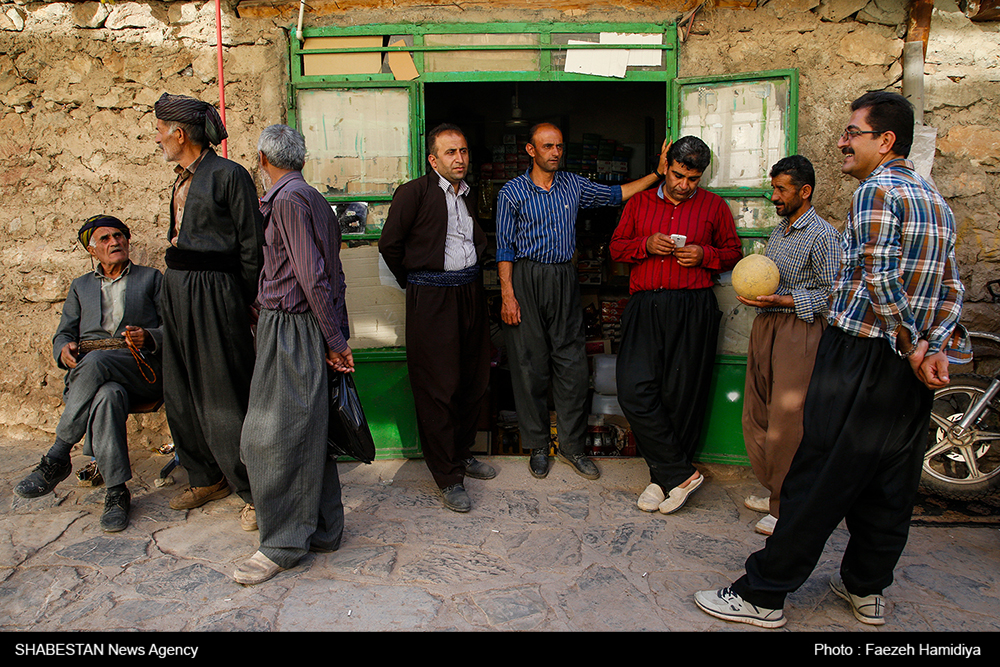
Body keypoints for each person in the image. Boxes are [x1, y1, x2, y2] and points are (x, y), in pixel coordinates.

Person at [695, 91, 969, 629]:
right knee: (890, 482)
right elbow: (950, 286)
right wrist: (932, 347)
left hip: (863, 353)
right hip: (906, 366)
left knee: (815, 473)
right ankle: (865, 587)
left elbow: (879, 278)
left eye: (852, 132)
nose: (842, 141)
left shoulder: (875, 192)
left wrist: (912, 341)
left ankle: (764, 594)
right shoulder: (935, 200)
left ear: (885, 141)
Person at [496, 122, 668, 481]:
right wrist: (508, 295)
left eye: (559, 146)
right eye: (547, 146)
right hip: (526, 277)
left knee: (572, 365)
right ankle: (539, 447)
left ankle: (572, 448)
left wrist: (656, 174)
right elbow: (504, 248)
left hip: (562, 276)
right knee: (529, 366)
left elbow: (616, 194)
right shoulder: (511, 192)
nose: (555, 152)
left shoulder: (573, 185)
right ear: (531, 150)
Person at [234, 124, 351, 585]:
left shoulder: (285, 200)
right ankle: (323, 528)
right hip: (303, 327)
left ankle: (281, 543)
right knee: (307, 430)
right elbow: (330, 275)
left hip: (291, 329)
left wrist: (335, 340)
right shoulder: (314, 198)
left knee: (271, 437)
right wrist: (335, 334)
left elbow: (312, 275)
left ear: (264, 159)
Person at [610, 136, 742, 514]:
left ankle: (660, 479)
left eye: (693, 179)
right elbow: (617, 248)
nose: (684, 185)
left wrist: (705, 254)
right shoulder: (639, 203)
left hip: (693, 305)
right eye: (679, 175)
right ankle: (680, 473)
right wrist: (645, 245)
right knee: (634, 388)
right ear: (666, 165)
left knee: (681, 394)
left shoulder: (713, 207)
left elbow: (733, 253)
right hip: (645, 305)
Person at [153, 93, 265, 528]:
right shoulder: (181, 177)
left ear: (180, 133)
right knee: (179, 389)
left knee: (223, 392)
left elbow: (251, 246)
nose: (158, 138)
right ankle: (205, 475)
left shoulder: (229, 175)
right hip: (178, 288)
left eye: (161, 131)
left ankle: (253, 487)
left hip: (215, 292)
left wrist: (244, 299)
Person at [15, 216, 163, 533]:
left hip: (140, 367)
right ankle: (116, 492)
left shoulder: (151, 278)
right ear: (93, 249)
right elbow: (62, 334)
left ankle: (57, 455)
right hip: (98, 374)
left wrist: (149, 337)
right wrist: (64, 349)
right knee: (108, 396)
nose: (115, 242)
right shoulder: (81, 286)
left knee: (96, 362)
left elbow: (174, 329)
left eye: (120, 235)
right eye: (106, 238)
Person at [379, 123, 495, 513]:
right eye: (450, 153)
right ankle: (447, 476)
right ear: (433, 159)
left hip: (469, 293)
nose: (459, 159)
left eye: (463, 151)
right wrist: (417, 284)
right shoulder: (414, 193)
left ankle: (461, 454)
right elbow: (390, 245)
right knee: (438, 386)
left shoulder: (467, 194)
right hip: (432, 296)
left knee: (472, 378)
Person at [738, 155, 840, 536]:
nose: (774, 196)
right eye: (774, 187)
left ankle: (788, 505)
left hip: (800, 330)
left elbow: (834, 295)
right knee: (757, 411)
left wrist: (785, 301)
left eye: (781, 189)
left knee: (787, 422)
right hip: (768, 326)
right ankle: (775, 488)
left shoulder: (824, 236)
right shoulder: (781, 231)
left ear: (805, 191)